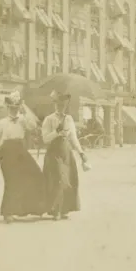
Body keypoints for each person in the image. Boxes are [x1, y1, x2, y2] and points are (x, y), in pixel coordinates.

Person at [0, 91, 46, 224]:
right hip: (7, 152)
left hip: (20, 150)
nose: (14, 110)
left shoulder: (22, 120)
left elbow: (32, 126)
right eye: (11, 108)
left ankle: (33, 208)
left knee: (36, 175)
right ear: (8, 108)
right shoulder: (1, 123)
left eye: (16, 107)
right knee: (11, 181)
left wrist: (25, 111)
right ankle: (7, 213)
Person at [42, 91, 89, 220]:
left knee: (68, 180)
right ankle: (55, 210)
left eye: (63, 105)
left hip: (66, 152)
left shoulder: (69, 119)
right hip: (53, 153)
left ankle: (64, 209)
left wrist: (81, 153)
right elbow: (45, 139)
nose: (60, 107)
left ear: (66, 105)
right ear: (54, 104)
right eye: (58, 104)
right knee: (58, 179)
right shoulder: (49, 119)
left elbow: (73, 137)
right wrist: (56, 132)